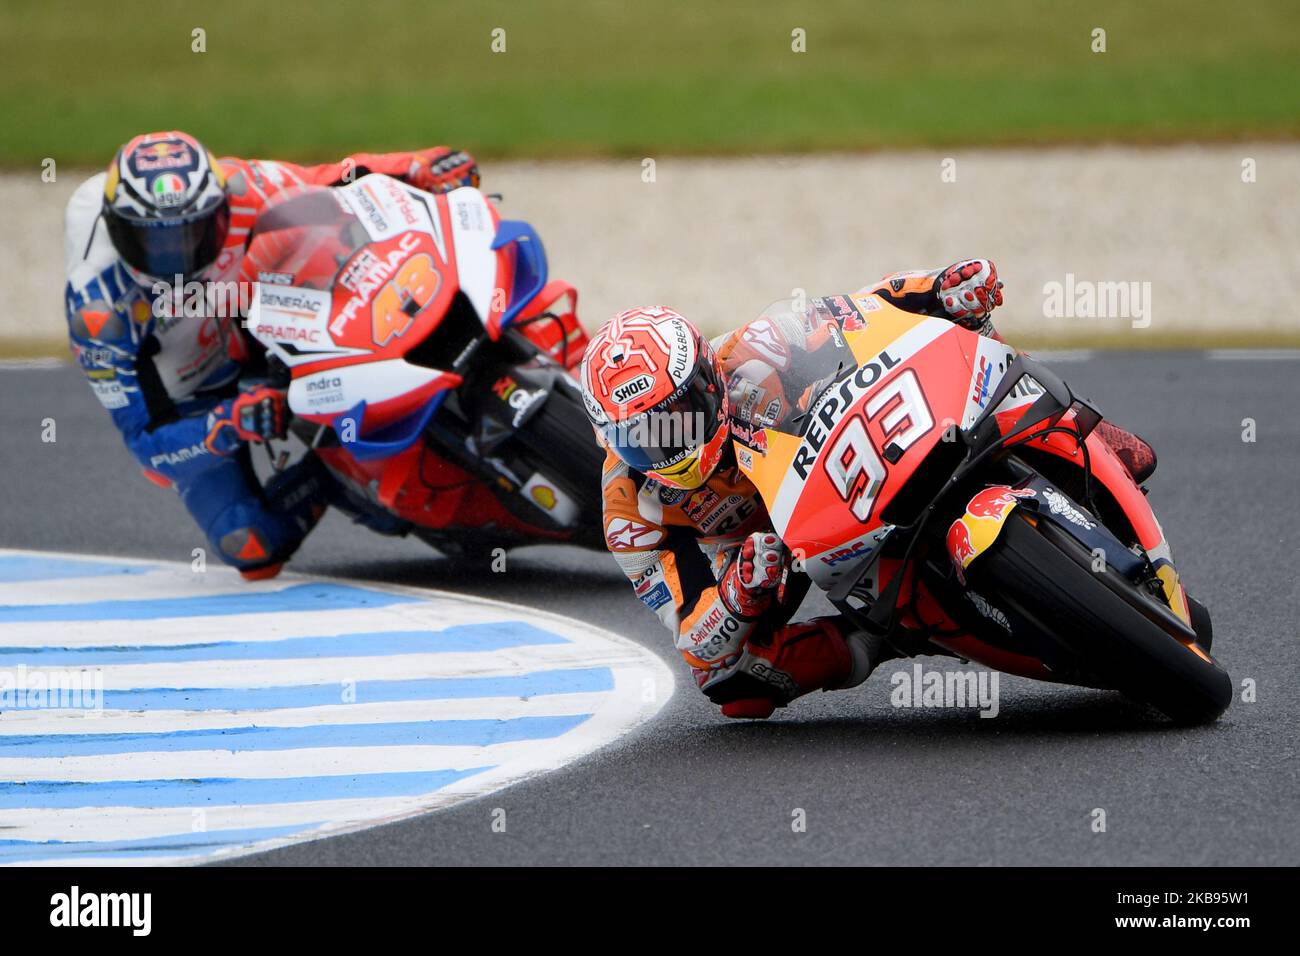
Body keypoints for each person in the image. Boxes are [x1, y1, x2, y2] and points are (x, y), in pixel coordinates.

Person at [578, 260, 1157, 719]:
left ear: (707, 379)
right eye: (642, 436)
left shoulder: (754, 353)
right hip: (764, 553)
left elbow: (863, 308)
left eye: (676, 415)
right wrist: (739, 596)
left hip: (836, 466)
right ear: (611, 440)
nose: (667, 445)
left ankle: (1076, 427)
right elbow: (695, 641)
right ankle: (890, 638)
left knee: (970, 333)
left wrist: (941, 289)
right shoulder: (629, 513)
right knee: (734, 686)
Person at [64, 131, 479, 578]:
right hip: (193, 396)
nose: (176, 258)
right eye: (154, 243)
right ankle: (335, 477)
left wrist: (417, 166)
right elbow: (147, 449)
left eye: (192, 233)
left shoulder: (243, 188)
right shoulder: (98, 314)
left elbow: (332, 181)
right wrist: (227, 424)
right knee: (248, 543)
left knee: (332, 241)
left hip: (258, 322)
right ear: (117, 229)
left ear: (219, 207)